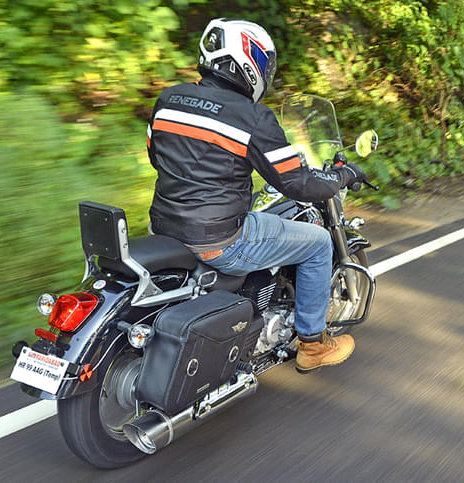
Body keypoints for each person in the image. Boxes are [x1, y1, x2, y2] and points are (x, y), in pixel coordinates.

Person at [146, 18, 367, 373]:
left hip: (164, 229)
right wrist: (344, 174)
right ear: (248, 62)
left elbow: (156, 157)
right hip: (219, 240)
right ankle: (312, 345)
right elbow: (297, 184)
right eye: (265, 64)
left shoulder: (168, 100)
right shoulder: (252, 118)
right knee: (317, 243)